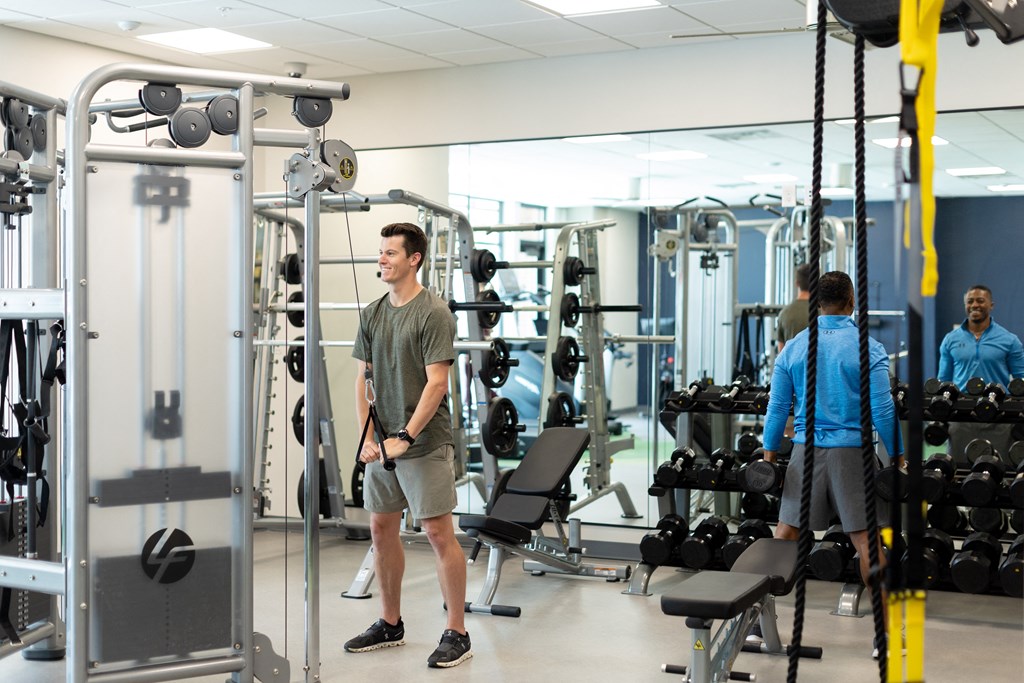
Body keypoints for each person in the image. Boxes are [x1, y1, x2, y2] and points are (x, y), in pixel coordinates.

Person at [346, 222, 471, 669]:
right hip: (383, 446)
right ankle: (390, 622)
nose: (381, 259)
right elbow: (363, 378)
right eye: (380, 253)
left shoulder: (433, 312)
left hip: (423, 443)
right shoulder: (373, 312)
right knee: (381, 529)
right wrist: (369, 436)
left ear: (413, 259)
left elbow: (438, 383)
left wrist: (404, 437)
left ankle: (457, 631)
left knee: (439, 533)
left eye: (390, 254)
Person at [761, 271, 904, 659]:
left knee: (785, 535)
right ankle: (884, 638)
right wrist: (899, 452)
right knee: (866, 543)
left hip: (804, 453)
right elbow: (883, 409)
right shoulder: (866, 347)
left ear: (816, 303)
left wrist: (770, 453)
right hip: (851, 452)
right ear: (852, 300)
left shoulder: (793, 347)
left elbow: (777, 408)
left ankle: (758, 626)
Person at [937, 285, 1024, 464]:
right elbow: (943, 380)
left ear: (991, 305)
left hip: (998, 417)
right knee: (956, 470)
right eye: (970, 301)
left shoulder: (1009, 340)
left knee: (1000, 470)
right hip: (961, 416)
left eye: (980, 300)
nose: (975, 305)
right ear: (965, 305)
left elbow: (1021, 378)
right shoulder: (951, 339)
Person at [776, 264, 811, 352]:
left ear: (797, 283)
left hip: (791, 366)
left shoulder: (784, 314)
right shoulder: (823, 312)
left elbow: (782, 355)